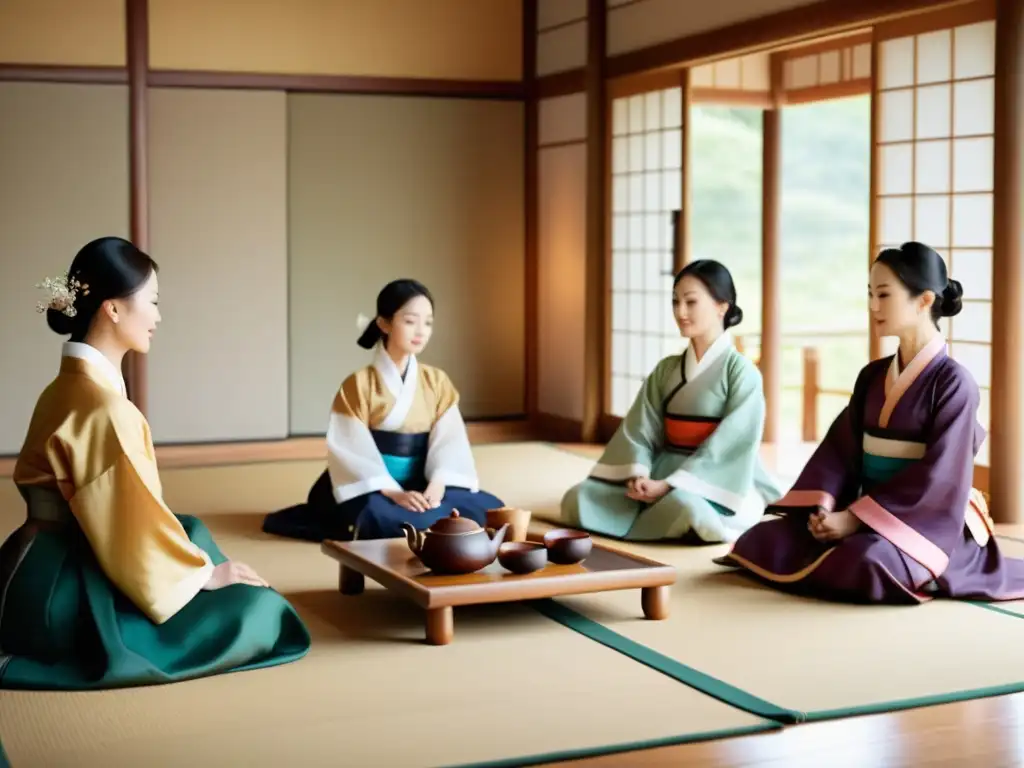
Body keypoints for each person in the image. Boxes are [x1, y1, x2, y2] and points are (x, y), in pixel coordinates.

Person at [0, 237, 311, 690]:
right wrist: (205, 574)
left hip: (30, 564)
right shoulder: (104, 409)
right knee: (261, 611)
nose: (159, 316)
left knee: (191, 529)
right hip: (67, 591)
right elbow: (130, 528)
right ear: (112, 309)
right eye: (153, 301)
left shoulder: (66, 386)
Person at [717, 241, 1024, 603]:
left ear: (924, 300)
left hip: (924, 522)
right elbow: (840, 451)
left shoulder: (955, 383)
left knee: (865, 560)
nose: (873, 306)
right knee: (762, 540)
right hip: (862, 509)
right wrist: (826, 507)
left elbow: (939, 479)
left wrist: (855, 520)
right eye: (870, 294)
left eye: (884, 295)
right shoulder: (872, 376)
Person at [262, 278, 504, 542]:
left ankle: (425, 514)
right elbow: (351, 449)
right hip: (372, 484)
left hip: (422, 481)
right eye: (411, 321)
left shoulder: (437, 382)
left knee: (487, 509)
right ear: (384, 323)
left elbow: (450, 441)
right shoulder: (359, 384)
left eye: (428, 322)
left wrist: (438, 483)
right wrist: (393, 492)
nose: (420, 331)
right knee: (379, 519)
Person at [559, 259, 782, 543]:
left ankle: (673, 511)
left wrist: (669, 486)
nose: (680, 312)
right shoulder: (667, 369)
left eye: (691, 302)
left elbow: (730, 444)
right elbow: (640, 429)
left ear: (721, 306)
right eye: (675, 302)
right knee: (579, 498)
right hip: (662, 468)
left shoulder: (741, 372)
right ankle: (657, 510)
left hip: (717, 478)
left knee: (686, 507)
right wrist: (638, 472)